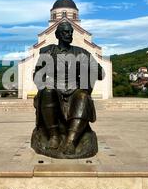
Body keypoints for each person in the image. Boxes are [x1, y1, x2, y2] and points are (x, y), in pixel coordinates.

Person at [33, 21, 104, 157]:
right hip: (54, 88)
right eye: (65, 32)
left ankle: (71, 141)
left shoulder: (81, 52)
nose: (69, 34)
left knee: (83, 96)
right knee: (47, 91)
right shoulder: (48, 51)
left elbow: (100, 73)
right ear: (58, 34)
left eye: (71, 32)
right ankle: (54, 136)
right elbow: (37, 75)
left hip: (75, 89)